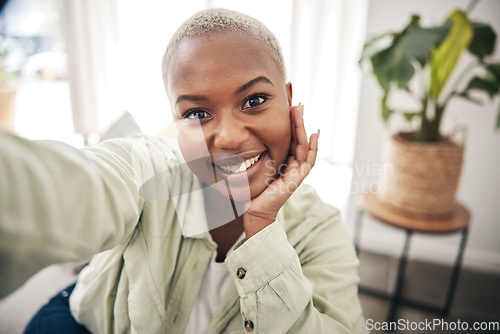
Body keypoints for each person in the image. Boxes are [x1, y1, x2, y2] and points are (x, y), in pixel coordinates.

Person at [0, 8, 362, 333]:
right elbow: (75, 187)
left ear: (288, 100)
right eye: (196, 114)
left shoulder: (320, 230)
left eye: (254, 101)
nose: (230, 137)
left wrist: (262, 226)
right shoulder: (153, 167)